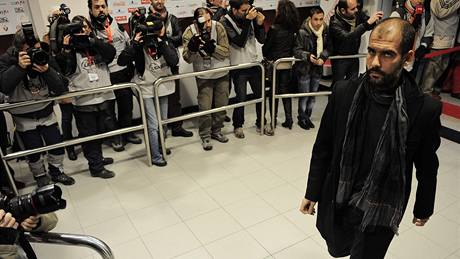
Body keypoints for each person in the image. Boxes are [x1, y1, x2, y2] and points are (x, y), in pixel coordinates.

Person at [299, 18, 441, 259]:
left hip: (381, 208)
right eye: (372, 52)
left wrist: (424, 206)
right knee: (338, 246)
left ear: (408, 58)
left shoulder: (424, 108)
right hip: (340, 197)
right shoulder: (344, 93)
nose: (375, 63)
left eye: (387, 55)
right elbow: (323, 147)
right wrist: (312, 192)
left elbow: (427, 165)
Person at [0, 29, 75, 187]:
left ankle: (57, 171)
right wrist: (19, 68)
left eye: (36, 47)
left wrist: (47, 71)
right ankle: (40, 175)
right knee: (33, 150)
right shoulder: (7, 60)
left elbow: (61, 86)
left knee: (56, 144)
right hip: (23, 117)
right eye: (29, 49)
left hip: (46, 112)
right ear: (19, 47)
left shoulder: (43, 55)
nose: (34, 52)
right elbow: (4, 86)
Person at [56, 15, 116, 179]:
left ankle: (99, 159)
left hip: (102, 96)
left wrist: (93, 41)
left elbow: (111, 53)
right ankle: (96, 167)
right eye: (78, 29)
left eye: (85, 27)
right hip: (84, 100)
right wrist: (66, 48)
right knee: (89, 135)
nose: (83, 31)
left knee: (99, 132)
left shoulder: (96, 43)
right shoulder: (69, 50)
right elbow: (63, 68)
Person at [118, 14, 179, 166]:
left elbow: (173, 60)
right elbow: (121, 61)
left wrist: (163, 40)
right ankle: (155, 155)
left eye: (156, 30)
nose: (152, 34)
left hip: (162, 86)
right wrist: (134, 44)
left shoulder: (165, 41)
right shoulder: (139, 45)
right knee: (153, 124)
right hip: (145, 88)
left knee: (163, 122)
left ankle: (160, 146)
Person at [88, 0, 142, 150]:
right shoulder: (90, 30)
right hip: (105, 74)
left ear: (107, 8)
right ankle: (115, 137)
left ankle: (128, 133)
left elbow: (127, 42)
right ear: (90, 9)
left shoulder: (116, 25)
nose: (100, 10)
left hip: (124, 72)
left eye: (103, 7)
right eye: (96, 7)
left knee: (127, 106)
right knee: (108, 111)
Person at [221, 0, 271, 138]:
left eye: (247, 10)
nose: (246, 13)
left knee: (261, 95)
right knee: (241, 98)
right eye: (243, 11)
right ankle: (238, 125)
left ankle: (261, 122)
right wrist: (248, 21)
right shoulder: (225, 21)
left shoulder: (250, 16)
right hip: (238, 66)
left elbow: (261, 40)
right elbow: (240, 42)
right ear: (235, 10)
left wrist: (260, 25)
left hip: (254, 63)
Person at [183, 7, 231, 151]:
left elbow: (225, 52)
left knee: (221, 105)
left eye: (209, 19)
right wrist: (192, 48)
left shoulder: (219, 27)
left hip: (221, 73)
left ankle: (216, 131)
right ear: (196, 20)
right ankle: (205, 136)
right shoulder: (189, 31)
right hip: (203, 75)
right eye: (204, 20)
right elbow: (187, 58)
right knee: (205, 107)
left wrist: (213, 48)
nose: (208, 24)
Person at [149, 0, 193, 138]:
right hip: (152, 65)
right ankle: (159, 131)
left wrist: (163, 39)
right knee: (155, 100)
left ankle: (177, 127)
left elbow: (180, 39)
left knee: (175, 98)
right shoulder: (146, 19)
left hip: (171, 62)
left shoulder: (172, 18)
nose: (159, 1)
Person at [262, 0, 300, 130]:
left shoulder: (274, 29)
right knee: (285, 91)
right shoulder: (293, 29)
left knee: (274, 92)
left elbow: (266, 49)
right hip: (287, 64)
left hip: (275, 65)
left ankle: (273, 121)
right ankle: (289, 119)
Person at [329, 0, 383, 83]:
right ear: (343, 10)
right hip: (340, 58)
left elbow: (368, 23)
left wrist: (376, 20)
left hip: (354, 56)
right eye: (353, 8)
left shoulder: (357, 14)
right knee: (338, 85)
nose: (356, 10)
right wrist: (367, 23)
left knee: (353, 83)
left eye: (356, 7)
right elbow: (348, 37)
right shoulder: (334, 22)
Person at [294, 6, 329, 131]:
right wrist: (308, 56)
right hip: (304, 69)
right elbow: (296, 51)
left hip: (317, 69)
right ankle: (302, 118)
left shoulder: (325, 29)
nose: (319, 23)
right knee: (304, 96)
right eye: (316, 19)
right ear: (310, 19)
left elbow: (329, 47)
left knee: (313, 96)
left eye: (321, 19)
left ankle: (308, 117)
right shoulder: (302, 32)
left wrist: (323, 58)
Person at [419, 0, 460, 98]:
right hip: (439, 35)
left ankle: (430, 89)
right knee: (434, 66)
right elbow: (441, 11)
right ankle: (426, 91)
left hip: (449, 36)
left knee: (442, 65)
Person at [390, 0, 433, 76]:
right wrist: (412, 26)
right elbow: (391, 34)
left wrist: (423, 46)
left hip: (414, 56)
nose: (420, 1)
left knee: (409, 83)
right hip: (397, 57)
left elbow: (428, 34)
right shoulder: (399, 13)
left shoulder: (427, 16)